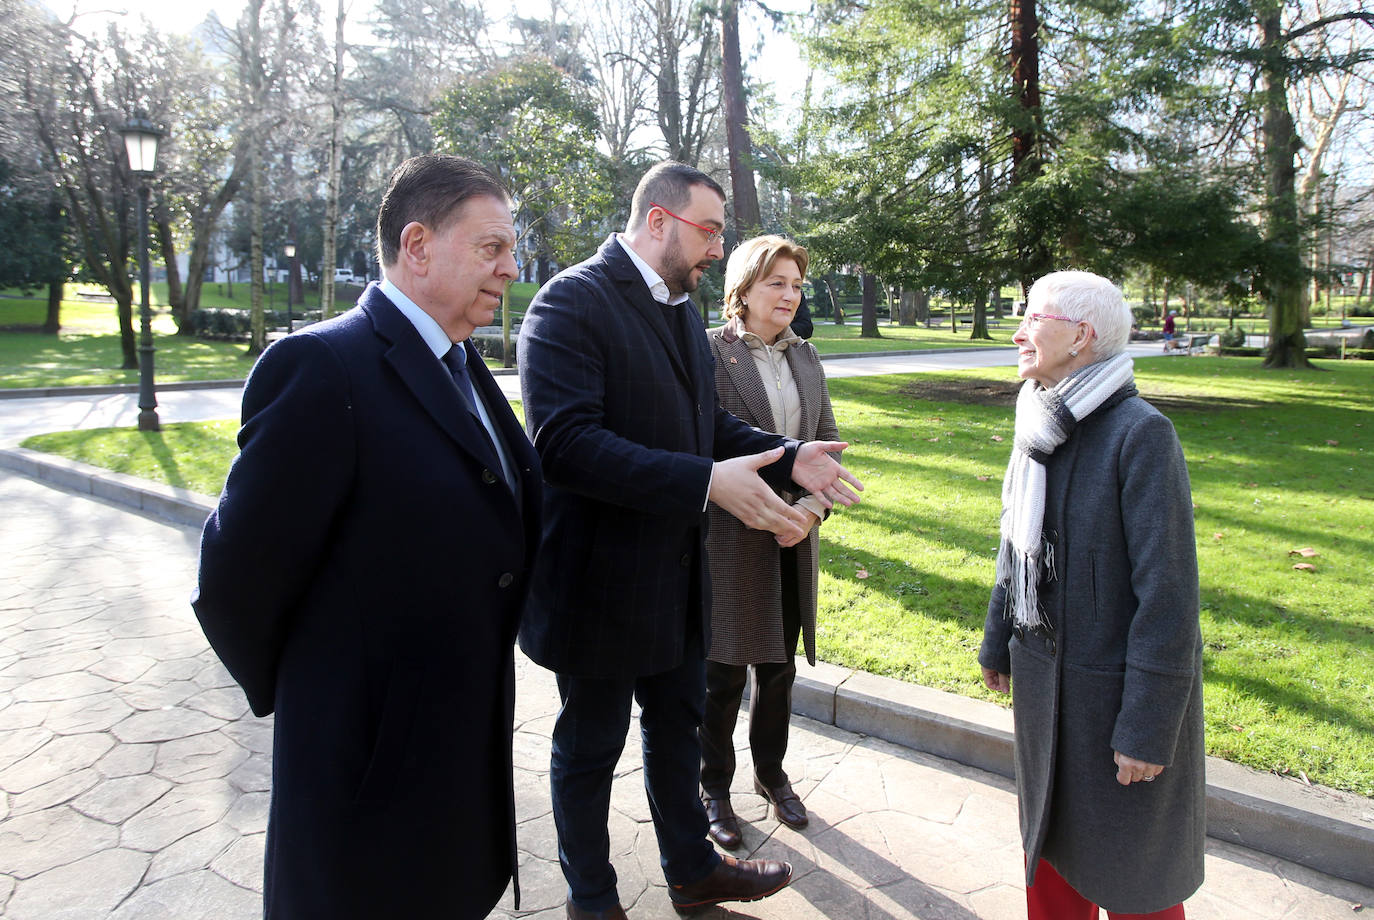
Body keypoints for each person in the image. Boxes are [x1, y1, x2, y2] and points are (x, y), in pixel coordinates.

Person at [192, 154, 543, 919]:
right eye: (492, 248)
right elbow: (234, 577)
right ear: (417, 246)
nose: (512, 268)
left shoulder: (463, 361)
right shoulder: (322, 368)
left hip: (457, 768)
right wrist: (327, 698)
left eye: (510, 250)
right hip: (362, 783)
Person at [518, 162, 863, 920]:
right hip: (600, 584)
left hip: (678, 574)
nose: (717, 249)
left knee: (677, 729)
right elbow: (565, 445)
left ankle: (691, 869)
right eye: (710, 231)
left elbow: (705, 426)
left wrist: (784, 454)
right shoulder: (569, 303)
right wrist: (704, 483)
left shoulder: (678, 308)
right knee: (591, 746)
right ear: (659, 221)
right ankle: (593, 899)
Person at [979, 271, 1204, 919]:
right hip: (1045, 691)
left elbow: (1169, 598)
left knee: (1136, 884)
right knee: (1050, 868)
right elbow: (1015, 545)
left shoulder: (1141, 434)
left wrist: (1147, 729)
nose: (1019, 332)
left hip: (1115, 711)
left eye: (1033, 318)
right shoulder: (1039, 420)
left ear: (1080, 336)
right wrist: (1000, 640)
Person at [697, 235, 839, 849]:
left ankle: (771, 775)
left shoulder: (806, 357)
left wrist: (808, 513)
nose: (789, 295)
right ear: (743, 290)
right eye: (776, 282)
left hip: (791, 540)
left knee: (778, 669)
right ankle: (713, 789)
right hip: (728, 540)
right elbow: (698, 444)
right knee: (722, 674)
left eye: (797, 284)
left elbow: (826, 445)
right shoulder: (708, 353)